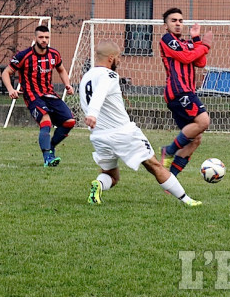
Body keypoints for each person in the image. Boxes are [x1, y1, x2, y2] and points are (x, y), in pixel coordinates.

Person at [80, 40, 201, 206]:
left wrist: (93, 116)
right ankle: (187, 200)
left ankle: (99, 185)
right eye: (118, 57)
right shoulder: (109, 75)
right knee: (154, 165)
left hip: (99, 136)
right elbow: (100, 93)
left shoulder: (86, 77)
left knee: (112, 175)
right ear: (110, 58)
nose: (120, 60)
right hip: (122, 132)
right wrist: (93, 114)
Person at [1, 25, 76, 167]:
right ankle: (47, 157)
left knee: (70, 121)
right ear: (35, 38)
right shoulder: (23, 56)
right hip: (32, 95)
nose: (44, 40)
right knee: (46, 121)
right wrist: (11, 89)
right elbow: (6, 72)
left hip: (50, 94)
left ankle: (51, 146)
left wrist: (67, 84)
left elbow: (61, 70)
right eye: (41, 37)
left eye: (46, 37)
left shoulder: (54, 54)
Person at [158, 8, 213, 177]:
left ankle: (170, 179)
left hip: (188, 92)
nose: (178, 24)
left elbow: (201, 62)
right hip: (178, 91)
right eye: (173, 20)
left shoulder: (188, 43)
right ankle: (169, 150)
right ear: (166, 25)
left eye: (180, 21)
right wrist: (204, 45)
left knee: (195, 139)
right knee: (203, 121)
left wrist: (196, 39)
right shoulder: (167, 39)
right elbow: (187, 58)